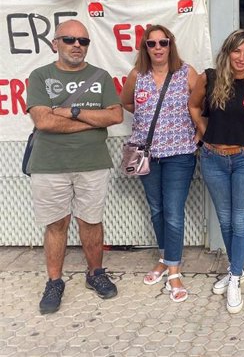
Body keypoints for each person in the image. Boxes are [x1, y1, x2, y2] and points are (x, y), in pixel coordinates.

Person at [26, 19, 123, 314]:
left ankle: (95, 273)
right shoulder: (40, 75)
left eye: (83, 41)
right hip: (49, 164)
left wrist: (72, 111)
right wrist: (91, 121)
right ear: (55, 43)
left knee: (91, 221)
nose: (77, 45)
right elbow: (43, 121)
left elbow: (116, 116)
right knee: (56, 224)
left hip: (92, 163)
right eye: (69, 40)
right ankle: (54, 281)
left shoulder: (100, 76)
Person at [189, 29, 244, 314]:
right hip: (213, 157)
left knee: (240, 220)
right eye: (237, 50)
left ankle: (235, 277)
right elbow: (194, 105)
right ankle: (237, 268)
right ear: (228, 51)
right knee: (224, 219)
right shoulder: (209, 78)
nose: (241, 57)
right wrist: (204, 132)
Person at [120, 25, 198, 303]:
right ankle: (164, 258)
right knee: (157, 209)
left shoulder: (186, 73)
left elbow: (201, 104)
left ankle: (174, 271)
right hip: (147, 154)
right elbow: (126, 102)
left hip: (180, 153)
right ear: (145, 48)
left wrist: (198, 132)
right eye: (151, 44)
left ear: (170, 45)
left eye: (163, 43)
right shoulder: (137, 75)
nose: (158, 48)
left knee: (174, 212)